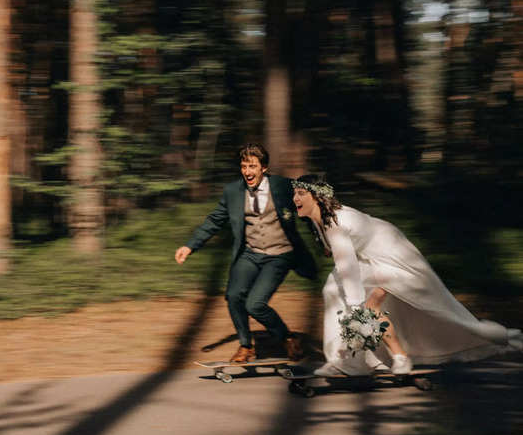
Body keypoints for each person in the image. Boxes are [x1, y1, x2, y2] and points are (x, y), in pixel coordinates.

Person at [291, 174, 523, 376]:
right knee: (332, 291)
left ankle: (397, 357)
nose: (295, 199)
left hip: (393, 257)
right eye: (295, 194)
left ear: (317, 196)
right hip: (371, 259)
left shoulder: (335, 222)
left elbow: (348, 268)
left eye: (301, 193)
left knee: (367, 308)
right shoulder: (322, 220)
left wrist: (355, 305)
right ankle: (345, 360)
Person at [175, 144, 317, 363]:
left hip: (280, 253)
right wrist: (190, 246)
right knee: (233, 296)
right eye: (244, 166)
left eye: (252, 166)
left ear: (264, 168)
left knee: (255, 304)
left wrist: (323, 239)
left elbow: (309, 209)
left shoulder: (284, 186)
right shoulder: (233, 191)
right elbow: (214, 221)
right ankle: (246, 346)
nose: (247, 171)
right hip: (251, 252)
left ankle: (287, 338)